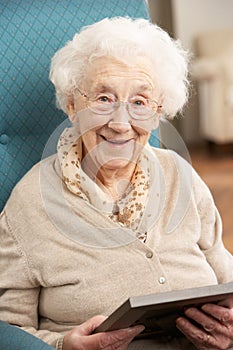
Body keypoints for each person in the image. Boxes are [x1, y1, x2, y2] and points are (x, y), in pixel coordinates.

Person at [0, 17, 233, 350]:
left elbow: (225, 277)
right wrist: (65, 344)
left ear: (157, 113)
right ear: (71, 105)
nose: (121, 123)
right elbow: (8, 331)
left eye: (139, 103)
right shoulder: (31, 202)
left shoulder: (181, 175)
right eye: (104, 99)